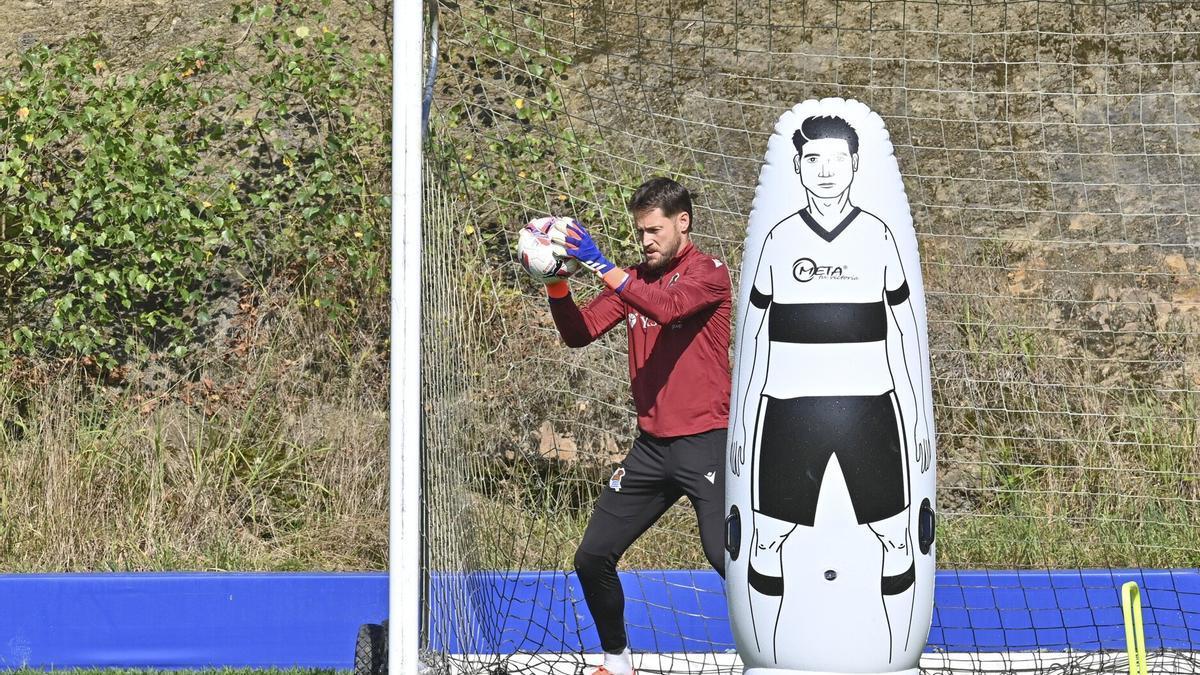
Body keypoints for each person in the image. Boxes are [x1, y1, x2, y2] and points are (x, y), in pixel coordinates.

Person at [730, 114, 932, 664]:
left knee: (894, 539)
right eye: (813, 160)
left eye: (836, 160)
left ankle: (891, 654)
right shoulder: (778, 240)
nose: (825, 171)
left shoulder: (878, 236)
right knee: (768, 542)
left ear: (854, 167)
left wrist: (915, 418)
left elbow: (905, 336)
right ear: (797, 167)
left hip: (871, 414)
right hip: (789, 416)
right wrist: (743, 423)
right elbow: (752, 346)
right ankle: (771, 656)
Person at [539, 177, 732, 675]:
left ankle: (789, 643)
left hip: (707, 442)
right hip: (650, 450)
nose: (645, 240)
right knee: (592, 556)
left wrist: (602, 266)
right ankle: (616, 661)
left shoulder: (710, 273)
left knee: (724, 555)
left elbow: (668, 310)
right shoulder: (634, 281)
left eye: (654, 229)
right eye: (640, 231)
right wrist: (557, 282)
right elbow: (578, 334)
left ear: (682, 223)